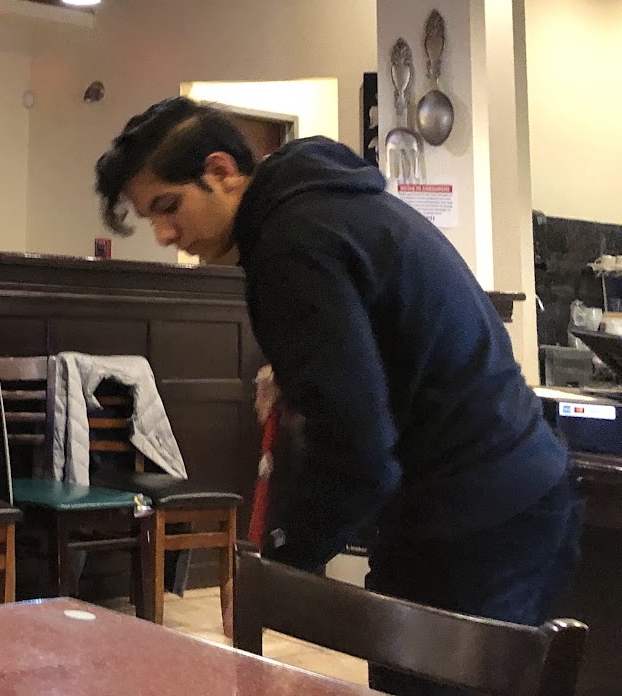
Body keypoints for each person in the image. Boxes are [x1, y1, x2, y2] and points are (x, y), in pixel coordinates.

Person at [95, 97, 578, 691]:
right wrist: (299, 376)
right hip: (513, 491)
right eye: (151, 217)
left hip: (475, 514)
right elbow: (375, 343)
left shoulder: (289, 243)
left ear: (221, 171)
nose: (165, 233)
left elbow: (359, 452)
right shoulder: (322, 203)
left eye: (169, 207)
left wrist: (279, 567)